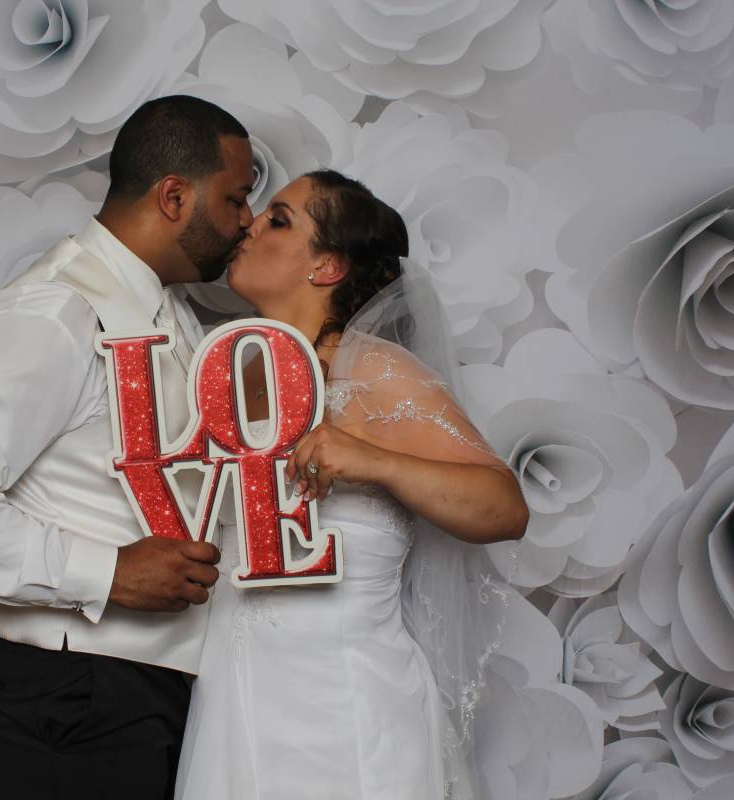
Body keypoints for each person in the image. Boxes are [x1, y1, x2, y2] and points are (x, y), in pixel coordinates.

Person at [0, 95, 255, 799]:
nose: (246, 221)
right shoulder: (58, 311)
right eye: (235, 198)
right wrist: (105, 573)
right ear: (174, 196)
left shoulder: (168, 311)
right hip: (68, 696)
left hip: (134, 690)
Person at [174, 170, 529, 799]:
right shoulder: (230, 376)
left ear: (327, 266)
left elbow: (504, 508)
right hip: (236, 699)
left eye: (280, 219)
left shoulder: (376, 371)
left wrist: (372, 459)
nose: (251, 224)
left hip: (348, 711)